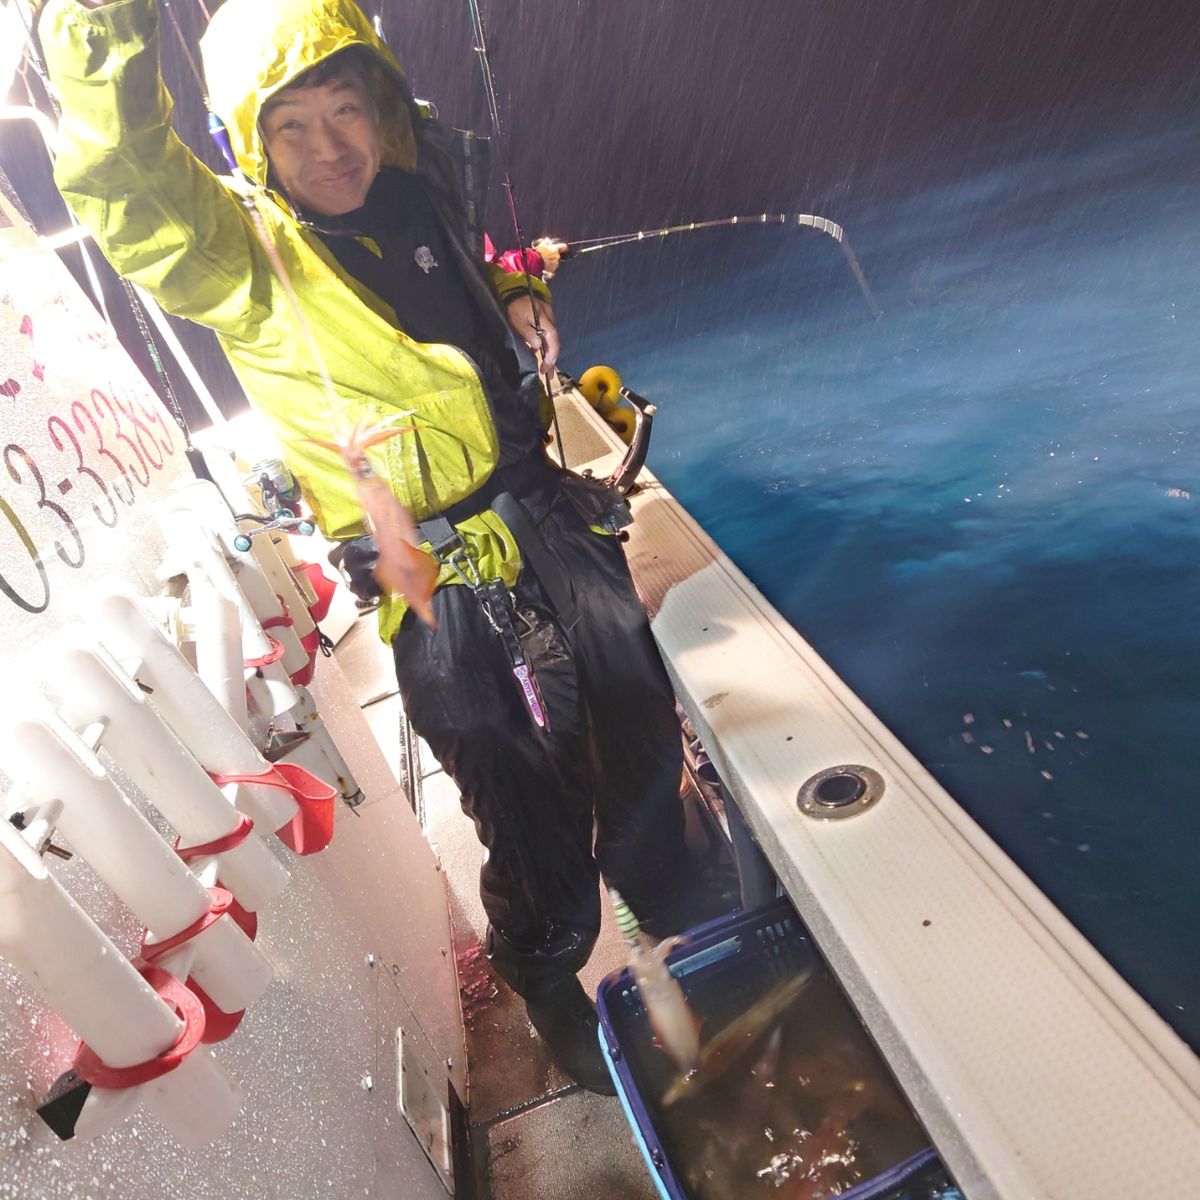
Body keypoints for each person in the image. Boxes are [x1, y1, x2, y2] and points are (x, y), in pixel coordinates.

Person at [41, 0, 714, 1093]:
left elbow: (465, 286)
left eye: (347, 109)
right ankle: (546, 974)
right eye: (292, 126)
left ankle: (688, 909)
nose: (330, 147)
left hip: (550, 520)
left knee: (639, 727)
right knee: (523, 800)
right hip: (434, 579)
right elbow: (127, 177)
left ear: (386, 107)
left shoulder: (428, 178)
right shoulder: (245, 262)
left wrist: (518, 288)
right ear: (251, 146)